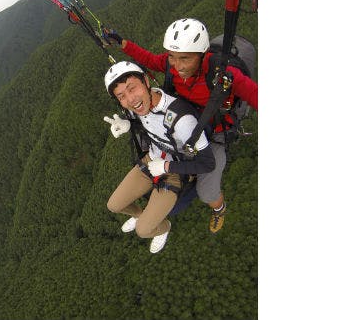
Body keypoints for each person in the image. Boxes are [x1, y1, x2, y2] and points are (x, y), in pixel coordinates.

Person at [105, 18, 258, 233]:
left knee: (207, 191)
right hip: (180, 122)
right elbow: (149, 60)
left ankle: (219, 208)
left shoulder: (223, 76)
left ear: (202, 54)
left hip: (214, 133)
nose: (178, 65)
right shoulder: (172, 66)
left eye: (185, 58)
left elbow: (255, 95)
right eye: (172, 57)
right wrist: (122, 43)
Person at [103, 61, 216, 253]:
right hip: (151, 160)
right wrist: (129, 125)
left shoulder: (182, 119)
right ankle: (141, 215)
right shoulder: (137, 107)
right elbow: (149, 124)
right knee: (114, 205)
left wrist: (166, 168)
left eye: (132, 88)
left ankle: (163, 228)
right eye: (121, 96)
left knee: (143, 230)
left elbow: (208, 163)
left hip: (174, 171)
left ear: (146, 81)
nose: (130, 100)